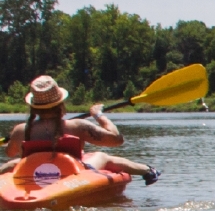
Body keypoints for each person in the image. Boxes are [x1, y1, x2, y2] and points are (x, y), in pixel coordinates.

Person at [1, 75, 161, 184]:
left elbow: (9, 152)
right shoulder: (77, 126)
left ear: (33, 107)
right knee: (102, 156)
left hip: (32, 173)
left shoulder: (20, 131)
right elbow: (116, 139)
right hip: (71, 173)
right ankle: (148, 171)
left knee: (13, 163)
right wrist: (98, 115)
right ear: (60, 103)